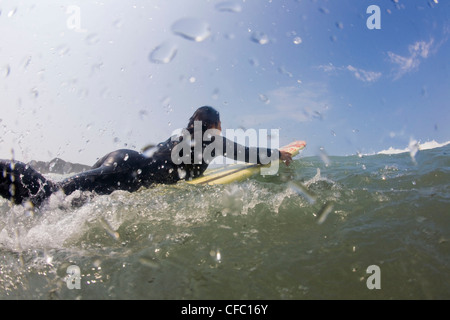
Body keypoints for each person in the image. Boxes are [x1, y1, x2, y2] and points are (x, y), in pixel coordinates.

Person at [0, 106, 292, 207]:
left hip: (121, 159)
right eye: (220, 124)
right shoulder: (211, 139)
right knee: (50, 195)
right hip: (127, 173)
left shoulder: (183, 135)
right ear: (213, 125)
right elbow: (247, 153)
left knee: (67, 199)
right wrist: (278, 153)